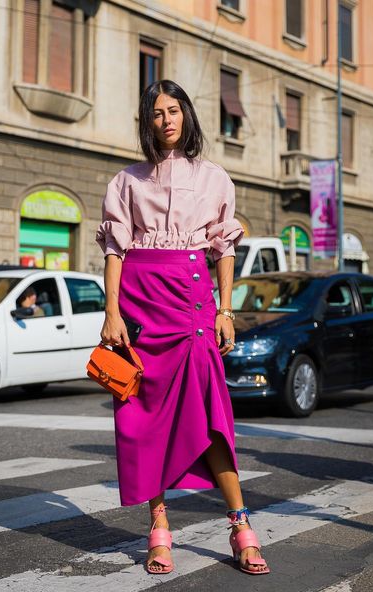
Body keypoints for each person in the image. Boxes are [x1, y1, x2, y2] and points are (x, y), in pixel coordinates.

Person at [96, 80, 270, 576]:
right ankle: (159, 528)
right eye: (157, 113)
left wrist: (224, 310)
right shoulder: (125, 181)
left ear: (187, 116)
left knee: (212, 414)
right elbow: (115, 251)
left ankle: (240, 525)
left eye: (174, 110)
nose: (167, 119)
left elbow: (224, 249)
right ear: (147, 122)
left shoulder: (215, 177)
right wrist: (112, 313)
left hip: (193, 304)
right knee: (143, 418)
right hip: (140, 307)